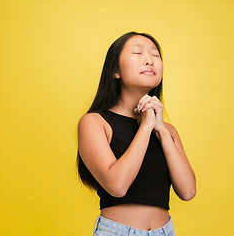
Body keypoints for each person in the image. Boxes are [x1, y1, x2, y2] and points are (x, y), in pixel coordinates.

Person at [77, 32, 196, 236]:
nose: (149, 60)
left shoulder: (167, 131)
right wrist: (146, 126)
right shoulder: (95, 122)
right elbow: (117, 186)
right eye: (137, 53)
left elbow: (187, 191)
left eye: (155, 55)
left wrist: (160, 130)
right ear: (115, 71)